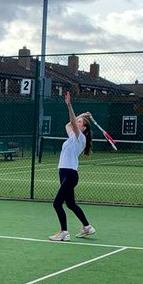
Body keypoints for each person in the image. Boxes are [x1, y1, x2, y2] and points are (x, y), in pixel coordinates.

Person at [50, 91, 96, 241]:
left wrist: (69, 105)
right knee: (70, 204)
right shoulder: (73, 135)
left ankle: (64, 232)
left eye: (81, 122)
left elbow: (71, 122)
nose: (78, 123)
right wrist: (82, 115)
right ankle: (88, 227)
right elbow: (69, 124)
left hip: (69, 174)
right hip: (65, 173)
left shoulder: (79, 137)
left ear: (84, 129)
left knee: (57, 203)